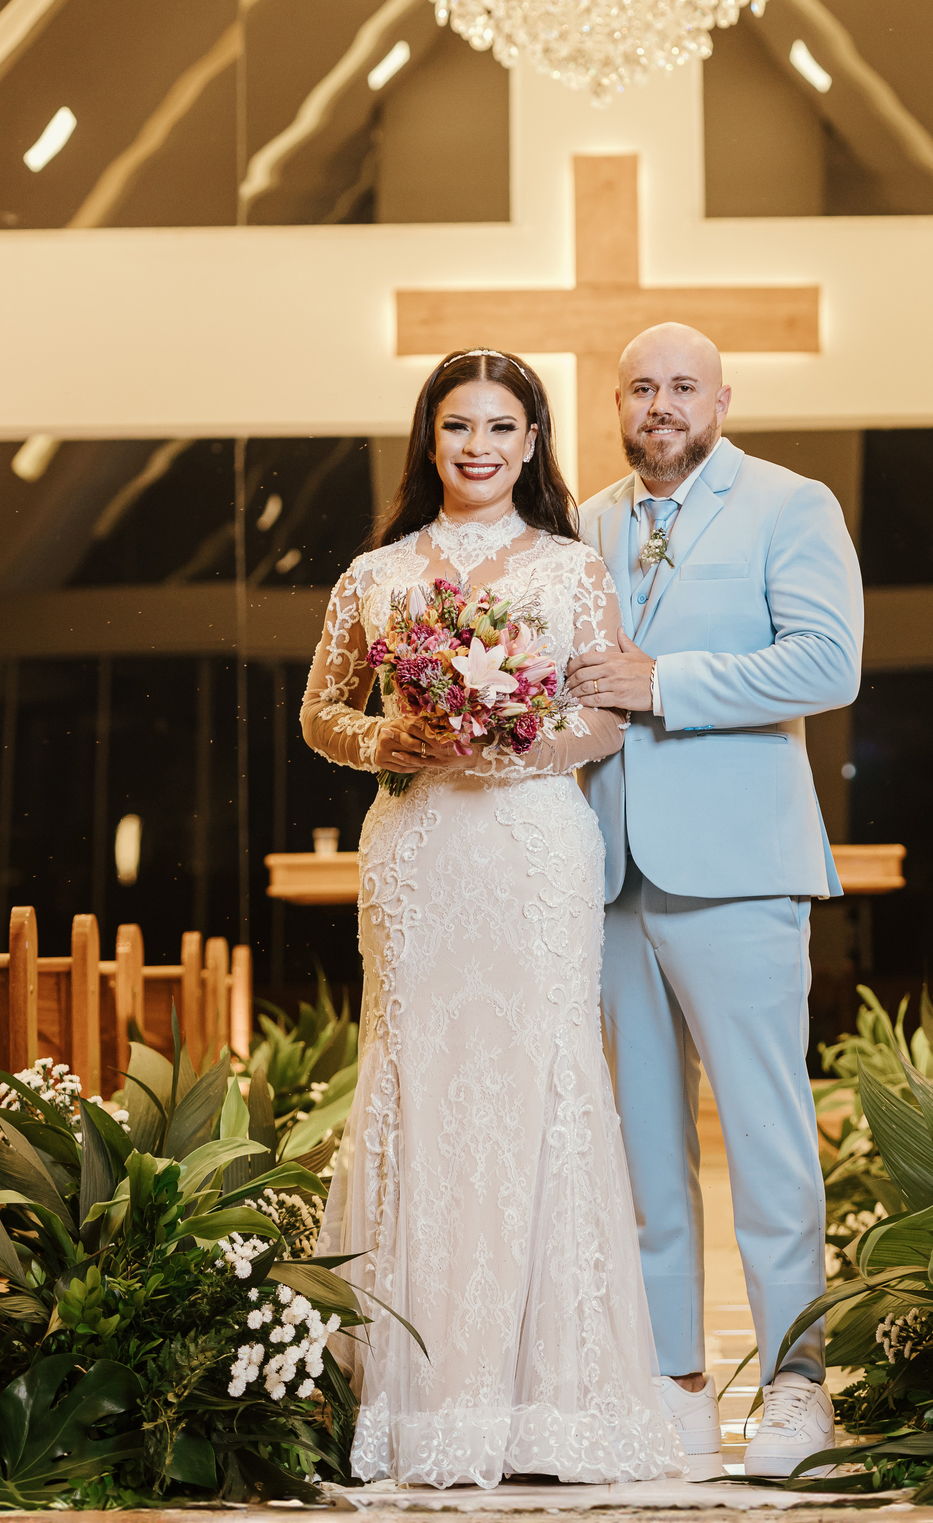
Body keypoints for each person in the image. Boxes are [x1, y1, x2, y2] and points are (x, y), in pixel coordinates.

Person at [301, 349, 684, 1490]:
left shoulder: (573, 570)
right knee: (417, 1077)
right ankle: (412, 1405)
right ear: (429, 438)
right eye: (458, 424)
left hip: (529, 847)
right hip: (420, 849)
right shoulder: (373, 574)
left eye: (502, 426)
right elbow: (323, 709)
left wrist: (517, 740)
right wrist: (383, 740)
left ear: (532, 442)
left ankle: (549, 1406)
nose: (479, 445)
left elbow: (606, 718)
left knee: (541, 1078)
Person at [568, 323, 864, 1479]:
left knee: (768, 1138)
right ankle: (676, 1386)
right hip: (611, 875)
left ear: (722, 400)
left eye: (682, 386)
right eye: (640, 388)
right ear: (619, 406)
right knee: (646, 1149)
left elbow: (826, 663)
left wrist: (663, 684)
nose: (660, 405)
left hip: (738, 867)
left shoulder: (792, 506)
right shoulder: (585, 521)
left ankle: (797, 1385)